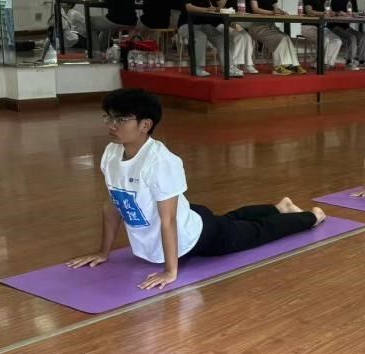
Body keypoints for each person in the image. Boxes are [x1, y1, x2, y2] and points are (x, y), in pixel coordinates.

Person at [66, 89, 325, 290]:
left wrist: (170, 271)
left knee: (255, 233)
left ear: (145, 125)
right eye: (109, 117)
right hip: (191, 215)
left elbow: (168, 221)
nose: (112, 125)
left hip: (195, 236)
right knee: (229, 221)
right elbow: (113, 205)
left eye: (121, 119)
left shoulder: (160, 162)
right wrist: (103, 252)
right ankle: (279, 207)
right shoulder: (111, 153)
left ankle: (311, 217)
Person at [247, 0, 304, 75]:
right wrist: (272, 13)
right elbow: (255, 9)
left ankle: (294, 65)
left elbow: (275, 8)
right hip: (257, 26)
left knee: (286, 37)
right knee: (280, 38)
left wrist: (281, 12)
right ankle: (278, 67)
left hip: (270, 25)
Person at [178, 0, 231, 78]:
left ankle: (228, 67)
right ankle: (197, 67)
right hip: (187, 23)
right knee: (200, 37)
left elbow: (218, 7)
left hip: (205, 24)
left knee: (222, 39)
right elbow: (188, 7)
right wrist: (206, 9)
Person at [213, 0, 257, 75]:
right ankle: (233, 65)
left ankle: (247, 64)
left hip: (230, 21)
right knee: (239, 36)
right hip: (217, 23)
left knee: (246, 36)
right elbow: (219, 7)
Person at [300, 0, 342, 70]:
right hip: (308, 27)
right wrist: (323, 13)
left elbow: (328, 11)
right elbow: (309, 11)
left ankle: (326, 63)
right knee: (324, 39)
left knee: (337, 40)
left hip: (322, 26)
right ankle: (318, 63)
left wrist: (335, 13)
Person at [329, 0, 365, 70]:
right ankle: (349, 62)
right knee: (351, 37)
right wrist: (339, 13)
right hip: (335, 26)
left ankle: (362, 61)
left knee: (363, 37)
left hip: (346, 26)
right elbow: (333, 12)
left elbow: (354, 11)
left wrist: (356, 14)